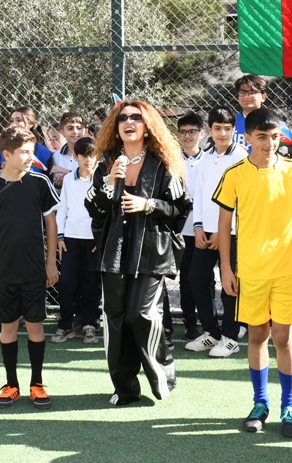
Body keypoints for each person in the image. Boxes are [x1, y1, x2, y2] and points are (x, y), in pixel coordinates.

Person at [86, 100, 191, 406]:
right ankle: (126, 388)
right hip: (114, 248)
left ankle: (163, 372)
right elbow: (93, 208)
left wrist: (149, 205)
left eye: (137, 117)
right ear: (115, 127)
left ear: (148, 126)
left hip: (151, 250)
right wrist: (109, 182)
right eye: (122, 118)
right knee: (116, 317)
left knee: (142, 313)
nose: (129, 122)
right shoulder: (106, 161)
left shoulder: (164, 162)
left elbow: (180, 209)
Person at [214, 108, 292, 435]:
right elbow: (224, 225)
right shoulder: (235, 174)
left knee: (283, 337)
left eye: (274, 137)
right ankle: (260, 402)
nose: (269, 143)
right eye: (262, 137)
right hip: (251, 271)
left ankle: (289, 406)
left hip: (285, 269)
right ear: (249, 138)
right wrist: (226, 269)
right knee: (258, 336)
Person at [0, 126, 60, 410]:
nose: (30, 156)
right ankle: (11, 384)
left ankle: (37, 383)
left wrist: (50, 263)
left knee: (36, 326)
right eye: (24, 152)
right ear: (6, 154)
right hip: (2, 271)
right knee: (8, 327)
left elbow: (50, 223)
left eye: (32, 151)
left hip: (34, 270)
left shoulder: (40, 182)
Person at [185, 106, 247, 357]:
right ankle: (211, 332)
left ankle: (231, 337)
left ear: (234, 130)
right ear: (209, 130)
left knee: (230, 283)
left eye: (228, 128)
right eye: (217, 128)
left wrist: (226, 232)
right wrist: (198, 227)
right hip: (206, 232)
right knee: (196, 279)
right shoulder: (206, 158)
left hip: (232, 233)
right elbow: (199, 195)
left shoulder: (242, 157)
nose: (223, 133)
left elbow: (242, 199)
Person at [51, 136, 100, 344]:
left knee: (90, 283)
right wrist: (60, 236)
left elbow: (106, 212)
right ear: (76, 157)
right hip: (70, 239)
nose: (88, 160)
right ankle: (65, 325)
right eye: (84, 156)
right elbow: (62, 209)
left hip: (92, 241)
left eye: (92, 156)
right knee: (67, 283)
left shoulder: (102, 180)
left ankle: (89, 324)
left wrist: (100, 237)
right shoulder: (70, 179)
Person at [174, 111, 205, 341]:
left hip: (204, 228)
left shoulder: (210, 159)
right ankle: (189, 323)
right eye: (183, 132)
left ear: (202, 134)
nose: (187, 136)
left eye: (192, 132)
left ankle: (209, 320)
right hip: (180, 229)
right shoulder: (172, 161)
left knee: (204, 278)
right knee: (186, 278)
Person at [0, 107, 53, 175]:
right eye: (11, 121)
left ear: (30, 124)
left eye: (18, 120)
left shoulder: (44, 154)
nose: (13, 124)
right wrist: (1, 167)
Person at [49, 111, 85, 189]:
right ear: (62, 132)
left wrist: (68, 173)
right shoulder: (57, 156)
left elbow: (89, 180)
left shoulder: (90, 154)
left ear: (84, 130)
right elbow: (55, 190)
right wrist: (58, 185)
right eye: (70, 128)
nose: (75, 131)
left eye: (79, 128)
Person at [233, 74, 268, 150]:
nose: (246, 97)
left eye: (252, 92)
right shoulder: (230, 121)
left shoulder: (273, 121)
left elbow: (291, 147)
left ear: (263, 97)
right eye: (242, 92)